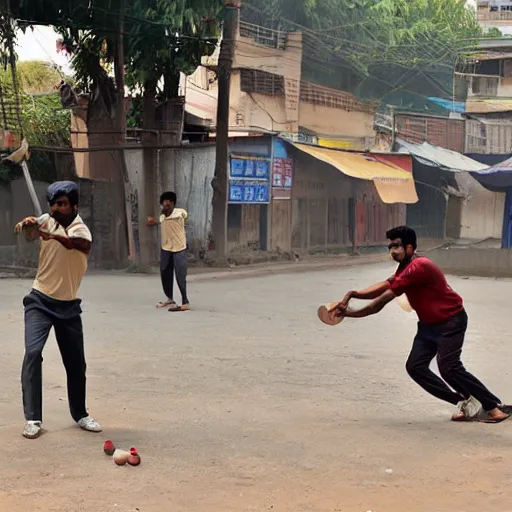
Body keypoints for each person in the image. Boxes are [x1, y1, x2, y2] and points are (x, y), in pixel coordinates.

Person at [332, 225, 509, 424]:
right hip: (428, 326)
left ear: (410, 247)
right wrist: (353, 294)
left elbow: (380, 302)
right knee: (415, 366)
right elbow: (386, 284)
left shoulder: (419, 266)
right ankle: (465, 402)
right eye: (390, 247)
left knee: (449, 367)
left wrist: (349, 313)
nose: (393, 251)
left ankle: (493, 407)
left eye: (397, 246)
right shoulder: (405, 266)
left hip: (451, 321)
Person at [14, 181, 102, 439]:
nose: (56, 209)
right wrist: (30, 225)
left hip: (68, 305)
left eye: (62, 204)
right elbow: (31, 234)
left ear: (74, 206)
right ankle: (33, 418)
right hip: (39, 300)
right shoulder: (46, 219)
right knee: (32, 353)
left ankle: (80, 414)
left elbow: (76, 244)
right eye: (53, 204)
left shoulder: (81, 231)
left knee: (76, 364)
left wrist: (51, 235)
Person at [147, 191, 190, 312]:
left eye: (167, 205)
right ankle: (170, 298)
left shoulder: (179, 213)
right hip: (166, 248)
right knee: (165, 271)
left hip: (179, 248)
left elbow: (183, 215)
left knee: (180, 273)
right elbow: (160, 221)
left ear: (173, 204)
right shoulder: (162, 216)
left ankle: (184, 302)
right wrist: (153, 222)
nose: (165, 207)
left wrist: (178, 215)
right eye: (163, 205)